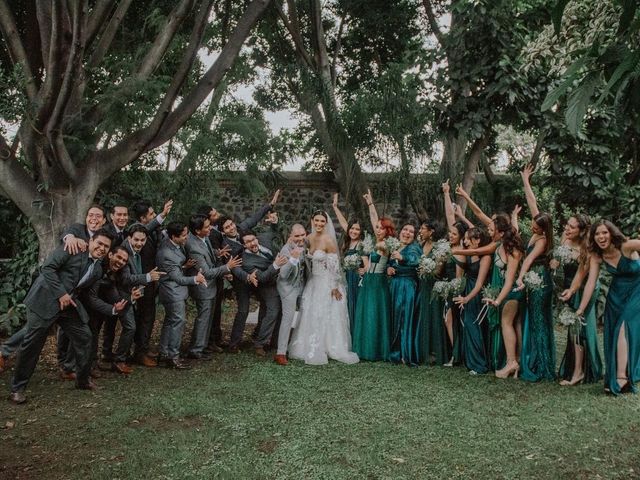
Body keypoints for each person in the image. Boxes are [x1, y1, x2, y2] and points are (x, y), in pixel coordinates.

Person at [9, 229, 113, 404]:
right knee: (32, 344)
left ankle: (82, 380)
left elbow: (84, 292)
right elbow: (47, 268)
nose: (102, 248)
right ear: (90, 241)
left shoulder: (97, 270)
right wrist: (61, 294)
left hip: (68, 307)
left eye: (106, 247)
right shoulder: (72, 248)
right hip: (44, 300)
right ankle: (17, 389)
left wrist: (112, 307)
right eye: (99, 243)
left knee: (85, 337)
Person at [570, 220, 640, 395]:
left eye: (604, 233)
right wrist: (580, 309)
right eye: (597, 234)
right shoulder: (597, 256)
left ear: (612, 233)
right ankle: (621, 372)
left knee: (623, 329)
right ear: (593, 237)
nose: (601, 237)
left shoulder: (626, 246)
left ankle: (622, 377)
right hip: (616, 295)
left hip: (637, 290)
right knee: (614, 332)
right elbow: (590, 283)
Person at [289, 211, 359, 365]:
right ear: (312, 221)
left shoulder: (328, 240)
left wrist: (334, 287)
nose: (319, 224)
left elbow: (334, 265)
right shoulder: (308, 238)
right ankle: (306, 346)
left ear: (326, 223)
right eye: (317, 221)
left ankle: (329, 346)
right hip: (313, 281)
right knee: (311, 312)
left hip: (327, 281)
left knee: (326, 313)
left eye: (322, 221)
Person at [219, 189, 281, 352]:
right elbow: (235, 268)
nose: (231, 228)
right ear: (222, 231)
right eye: (227, 227)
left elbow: (255, 218)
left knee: (267, 305)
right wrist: (248, 277)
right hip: (243, 280)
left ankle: (258, 336)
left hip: (259, 275)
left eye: (231, 224)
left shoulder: (242, 230)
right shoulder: (225, 246)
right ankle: (234, 344)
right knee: (244, 309)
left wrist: (269, 206)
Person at [516, 165, 556, 382]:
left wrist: (521, 277)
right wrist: (526, 181)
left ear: (544, 229)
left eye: (537, 225)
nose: (532, 225)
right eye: (533, 222)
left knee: (539, 321)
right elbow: (533, 204)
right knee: (535, 319)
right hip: (534, 279)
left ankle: (542, 364)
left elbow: (529, 260)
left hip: (539, 281)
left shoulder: (542, 241)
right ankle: (535, 358)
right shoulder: (537, 226)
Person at [185, 215, 241, 359]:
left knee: (208, 319)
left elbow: (207, 254)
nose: (210, 228)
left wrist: (217, 253)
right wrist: (227, 267)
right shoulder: (193, 246)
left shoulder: (204, 238)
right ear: (197, 231)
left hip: (211, 288)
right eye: (206, 226)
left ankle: (202, 346)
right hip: (203, 289)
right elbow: (208, 273)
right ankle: (196, 350)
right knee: (203, 319)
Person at [557, 214, 603, 386]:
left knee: (577, 326)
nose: (567, 229)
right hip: (571, 286)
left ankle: (578, 372)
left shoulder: (588, 249)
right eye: (567, 225)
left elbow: (582, 273)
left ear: (582, 231)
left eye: (572, 227)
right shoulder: (566, 238)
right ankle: (581, 368)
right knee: (575, 328)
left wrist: (573, 290)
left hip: (586, 288)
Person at [84, 245, 143, 375]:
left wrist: (130, 298)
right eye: (119, 257)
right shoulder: (98, 268)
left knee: (94, 332)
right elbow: (91, 296)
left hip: (99, 305)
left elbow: (115, 296)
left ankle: (92, 364)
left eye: (124, 260)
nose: (121, 262)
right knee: (88, 333)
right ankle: (74, 367)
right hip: (83, 302)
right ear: (110, 255)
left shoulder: (113, 274)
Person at [156, 221, 206, 369]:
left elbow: (173, 269)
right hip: (172, 292)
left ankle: (164, 353)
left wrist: (184, 266)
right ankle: (173, 356)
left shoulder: (172, 244)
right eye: (184, 235)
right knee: (178, 322)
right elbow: (177, 278)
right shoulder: (166, 253)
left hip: (174, 290)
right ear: (173, 236)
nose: (187, 237)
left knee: (170, 322)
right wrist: (195, 279)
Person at [128, 199, 173, 364]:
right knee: (144, 317)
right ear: (142, 218)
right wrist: (162, 215)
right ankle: (139, 352)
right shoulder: (136, 230)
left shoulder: (155, 231)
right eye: (152, 214)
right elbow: (146, 230)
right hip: (140, 281)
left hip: (152, 280)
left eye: (155, 213)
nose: (155, 216)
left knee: (149, 316)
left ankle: (143, 348)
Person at [351, 190, 393, 361]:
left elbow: (374, 258)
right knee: (366, 313)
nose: (378, 230)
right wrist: (370, 204)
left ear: (387, 231)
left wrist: (364, 260)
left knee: (375, 313)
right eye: (377, 228)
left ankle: (375, 350)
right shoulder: (375, 241)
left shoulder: (385, 244)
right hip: (368, 280)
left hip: (378, 281)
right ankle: (364, 348)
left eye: (382, 228)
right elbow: (374, 220)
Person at [237, 231, 287, 356]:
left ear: (257, 238)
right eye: (248, 242)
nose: (252, 243)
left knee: (278, 311)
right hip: (267, 286)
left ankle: (274, 342)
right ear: (244, 245)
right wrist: (275, 265)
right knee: (272, 312)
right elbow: (263, 278)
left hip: (280, 281)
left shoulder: (264, 239)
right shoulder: (246, 261)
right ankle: (260, 343)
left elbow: (275, 232)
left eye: (253, 239)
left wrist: (275, 225)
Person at [453, 227, 492, 375]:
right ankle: (470, 361)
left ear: (478, 240)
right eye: (465, 238)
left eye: (468, 239)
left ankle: (479, 364)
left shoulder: (485, 257)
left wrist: (466, 298)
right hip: (467, 289)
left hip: (477, 295)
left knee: (474, 325)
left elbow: (480, 283)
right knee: (467, 325)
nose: (465, 241)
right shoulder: (468, 255)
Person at [387, 223, 423, 366]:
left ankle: (404, 353)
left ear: (414, 236)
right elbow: (391, 263)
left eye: (411, 232)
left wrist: (402, 258)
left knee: (404, 318)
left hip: (406, 286)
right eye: (405, 230)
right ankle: (394, 351)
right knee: (395, 318)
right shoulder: (396, 246)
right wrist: (389, 268)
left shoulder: (414, 248)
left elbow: (416, 260)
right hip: (395, 285)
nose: (407, 233)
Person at [416, 220, 449, 365]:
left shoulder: (439, 247)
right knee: (423, 316)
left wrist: (428, 270)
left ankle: (436, 353)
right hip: (421, 285)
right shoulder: (421, 245)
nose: (420, 231)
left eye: (423, 228)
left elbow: (439, 270)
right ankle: (424, 351)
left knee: (434, 316)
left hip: (433, 286)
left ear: (431, 232)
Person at [274, 224, 307, 365]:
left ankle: (301, 346)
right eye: (297, 236)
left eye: (302, 235)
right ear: (291, 237)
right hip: (288, 287)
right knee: (288, 318)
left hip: (302, 285)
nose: (300, 238)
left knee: (307, 314)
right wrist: (293, 259)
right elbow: (283, 274)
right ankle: (280, 353)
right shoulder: (286, 249)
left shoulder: (305, 245)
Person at [442, 181, 467, 366]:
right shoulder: (449, 247)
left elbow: (459, 276)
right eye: (450, 233)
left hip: (457, 288)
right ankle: (454, 352)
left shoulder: (461, 250)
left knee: (451, 319)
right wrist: (446, 193)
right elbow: (450, 216)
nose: (450, 235)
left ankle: (456, 355)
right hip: (447, 287)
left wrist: (456, 292)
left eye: (454, 234)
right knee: (449, 320)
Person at [332, 193, 364, 330]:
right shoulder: (347, 243)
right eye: (352, 228)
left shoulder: (362, 244)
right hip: (347, 279)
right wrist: (335, 207)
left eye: (357, 229)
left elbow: (369, 259)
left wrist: (364, 270)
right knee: (347, 306)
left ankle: (358, 334)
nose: (354, 231)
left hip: (357, 280)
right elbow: (344, 223)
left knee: (357, 306)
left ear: (361, 231)